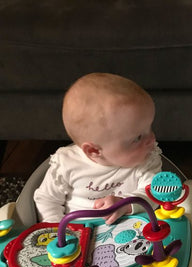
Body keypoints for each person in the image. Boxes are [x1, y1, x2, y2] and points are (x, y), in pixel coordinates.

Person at [34, 72, 162, 225]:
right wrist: (56, 231)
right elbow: (47, 201)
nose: (152, 139)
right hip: (75, 238)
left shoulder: (146, 158)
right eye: (137, 138)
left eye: (149, 127)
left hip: (133, 233)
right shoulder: (66, 164)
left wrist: (126, 204)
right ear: (94, 151)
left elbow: (155, 194)